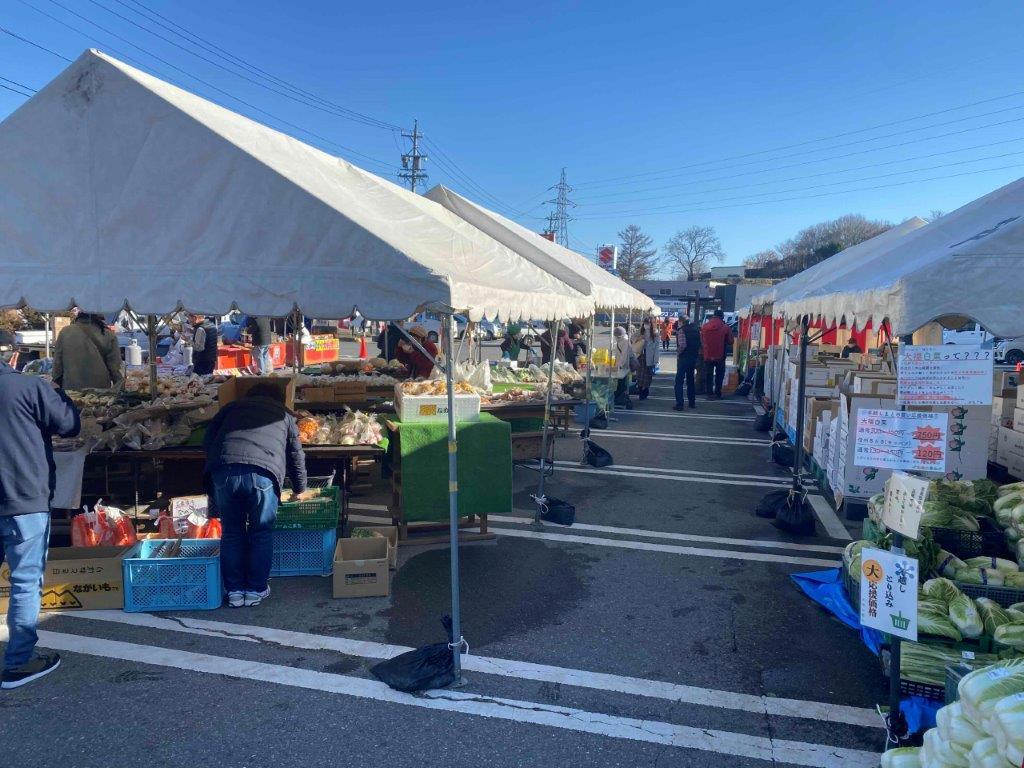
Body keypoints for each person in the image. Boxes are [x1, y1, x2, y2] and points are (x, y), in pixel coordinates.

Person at [0, 360, 80, 688]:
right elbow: (69, 424)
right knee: (25, 582)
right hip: (24, 497)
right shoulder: (28, 386)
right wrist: (61, 394)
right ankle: (17, 663)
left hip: (20, 498)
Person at [204, 384, 309, 608]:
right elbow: (295, 454)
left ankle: (234, 591)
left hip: (225, 471)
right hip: (263, 473)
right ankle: (255, 589)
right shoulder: (284, 415)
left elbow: (209, 442)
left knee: (232, 532)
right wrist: (300, 488)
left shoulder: (231, 408)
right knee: (260, 532)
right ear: (280, 399)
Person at [52, 311, 123, 391]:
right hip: (99, 392)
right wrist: (120, 388)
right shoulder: (108, 334)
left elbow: (57, 364)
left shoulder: (65, 332)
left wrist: (56, 382)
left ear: (78, 317)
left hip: (71, 390)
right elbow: (116, 368)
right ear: (99, 318)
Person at [700, 310, 733, 400]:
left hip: (707, 354)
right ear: (722, 317)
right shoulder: (726, 327)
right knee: (719, 375)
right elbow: (731, 341)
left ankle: (709, 393)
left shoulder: (705, 326)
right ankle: (718, 393)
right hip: (720, 355)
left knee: (709, 375)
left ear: (713, 316)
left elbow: (702, 340)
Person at [674, 316, 701, 410]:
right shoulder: (696, 330)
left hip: (684, 358)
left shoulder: (681, 331)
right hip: (693, 358)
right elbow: (699, 344)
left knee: (679, 381)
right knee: (690, 381)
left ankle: (679, 404)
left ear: (681, 322)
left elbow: (682, 345)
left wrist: (677, 353)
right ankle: (692, 403)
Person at [612, 326, 636, 408]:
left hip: (624, 366)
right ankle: (619, 399)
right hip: (621, 366)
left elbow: (624, 355)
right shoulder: (621, 340)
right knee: (620, 383)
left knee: (622, 383)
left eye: (616, 336)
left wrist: (619, 366)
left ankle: (621, 399)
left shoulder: (625, 341)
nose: (615, 337)